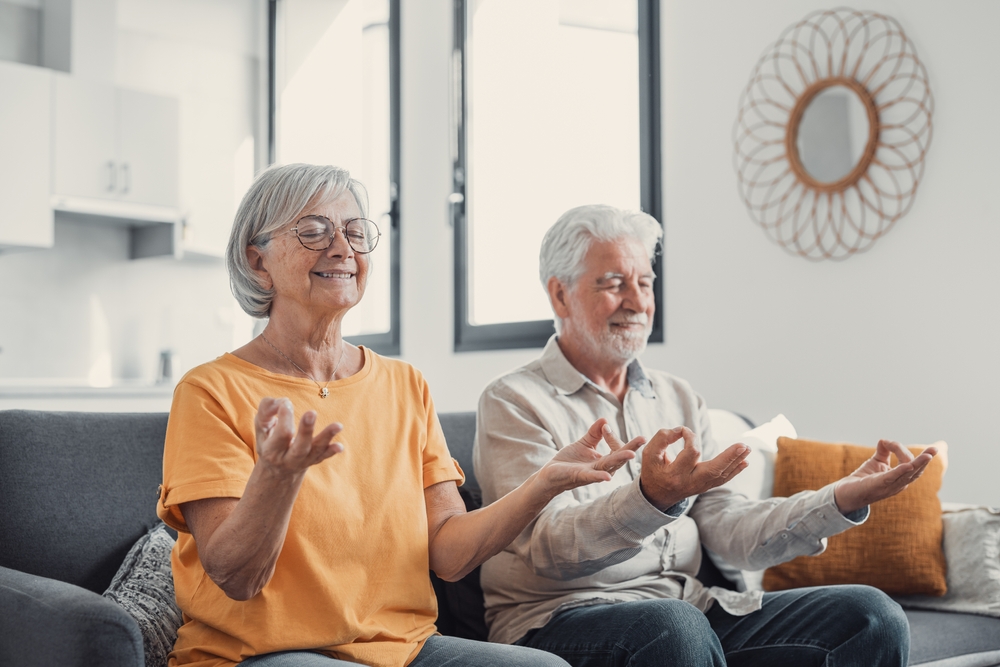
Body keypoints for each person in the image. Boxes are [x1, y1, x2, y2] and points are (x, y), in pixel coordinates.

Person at [156, 165, 636, 667]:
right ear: (259, 261)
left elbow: (449, 556)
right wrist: (278, 477)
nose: (343, 248)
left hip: (404, 650)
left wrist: (543, 485)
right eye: (315, 231)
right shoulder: (209, 390)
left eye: (356, 232)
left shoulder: (405, 384)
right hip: (259, 655)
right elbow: (236, 577)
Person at [472, 204, 938, 667]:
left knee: (870, 616)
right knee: (673, 628)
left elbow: (730, 531)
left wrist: (839, 500)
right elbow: (548, 547)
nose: (637, 301)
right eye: (614, 284)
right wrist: (648, 500)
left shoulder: (678, 397)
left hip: (688, 610)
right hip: (559, 620)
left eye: (645, 283)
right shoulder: (513, 401)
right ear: (560, 295)